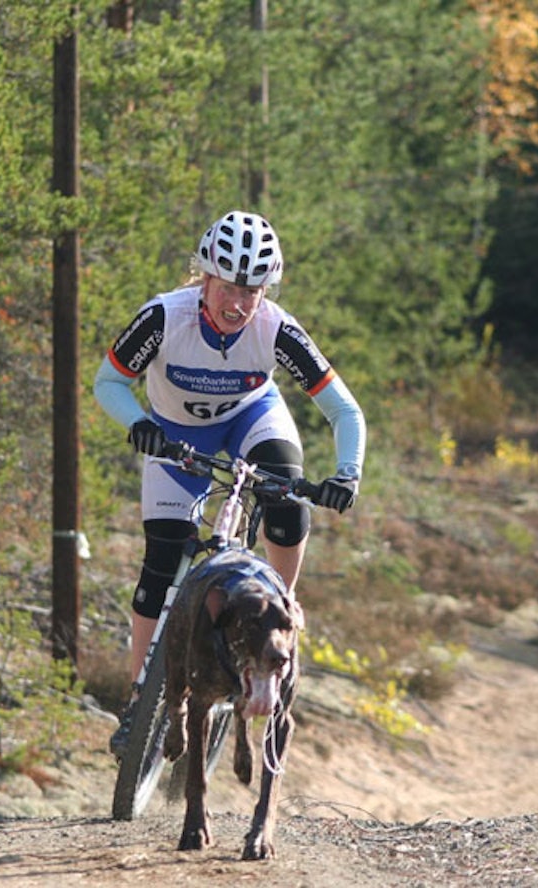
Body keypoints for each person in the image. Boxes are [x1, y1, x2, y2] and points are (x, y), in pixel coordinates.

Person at [94, 209, 366, 756]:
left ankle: (283, 604)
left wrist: (346, 474)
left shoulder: (276, 328)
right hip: (175, 434)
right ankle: (137, 701)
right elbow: (108, 383)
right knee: (160, 565)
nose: (238, 304)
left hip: (250, 419)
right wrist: (141, 426)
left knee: (287, 494)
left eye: (253, 291)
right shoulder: (163, 318)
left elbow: (345, 411)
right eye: (228, 287)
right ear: (204, 276)